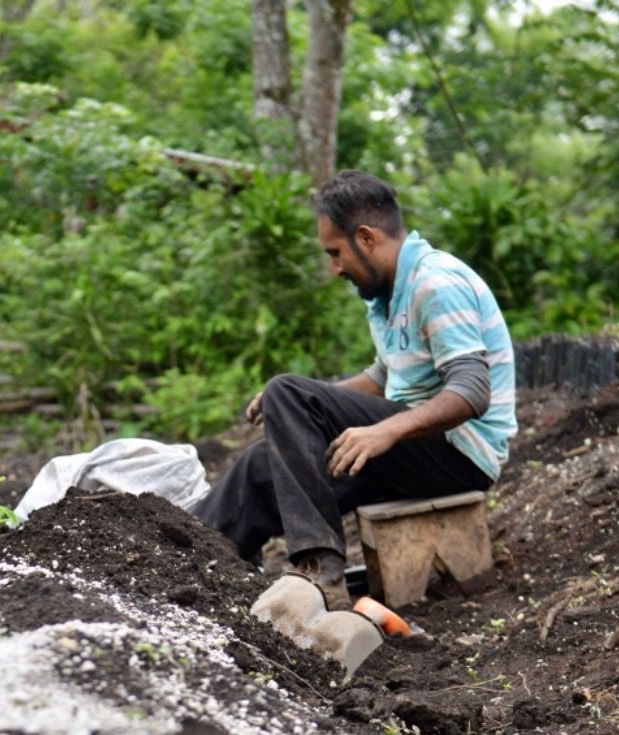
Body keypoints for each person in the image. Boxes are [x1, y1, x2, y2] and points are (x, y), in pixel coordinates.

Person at [194, 170, 516, 609]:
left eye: (335, 252)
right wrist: (300, 405)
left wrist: (384, 431)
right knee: (260, 465)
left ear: (366, 238)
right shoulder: (387, 295)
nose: (334, 268)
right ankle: (184, 560)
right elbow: (383, 377)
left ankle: (321, 571)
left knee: (287, 389)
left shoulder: (435, 284)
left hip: (461, 454)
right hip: (416, 448)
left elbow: (473, 390)